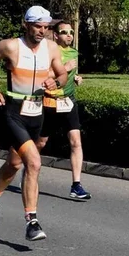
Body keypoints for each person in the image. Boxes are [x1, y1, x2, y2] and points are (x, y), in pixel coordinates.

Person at [0, 6, 67, 241]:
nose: (42, 31)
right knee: (34, 163)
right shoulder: (11, 46)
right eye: (37, 26)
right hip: (14, 112)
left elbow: (62, 74)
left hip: (37, 113)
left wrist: (56, 82)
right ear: (25, 25)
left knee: (15, 163)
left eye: (45, 27)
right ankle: (32, 221)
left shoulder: (52, 47)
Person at [39, 21, 91, 201]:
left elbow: (69, 73)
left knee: (76, 142)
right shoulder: (48, 52)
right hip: (50, 101)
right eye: (64, 32)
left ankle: (76, 185)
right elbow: (41, 76)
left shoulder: (74, 52)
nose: (69, 35)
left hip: (68, 101)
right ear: (56, 35)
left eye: (71, 32)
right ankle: (28, 170)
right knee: (41, 143)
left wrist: (75, 76)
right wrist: (65, 69)